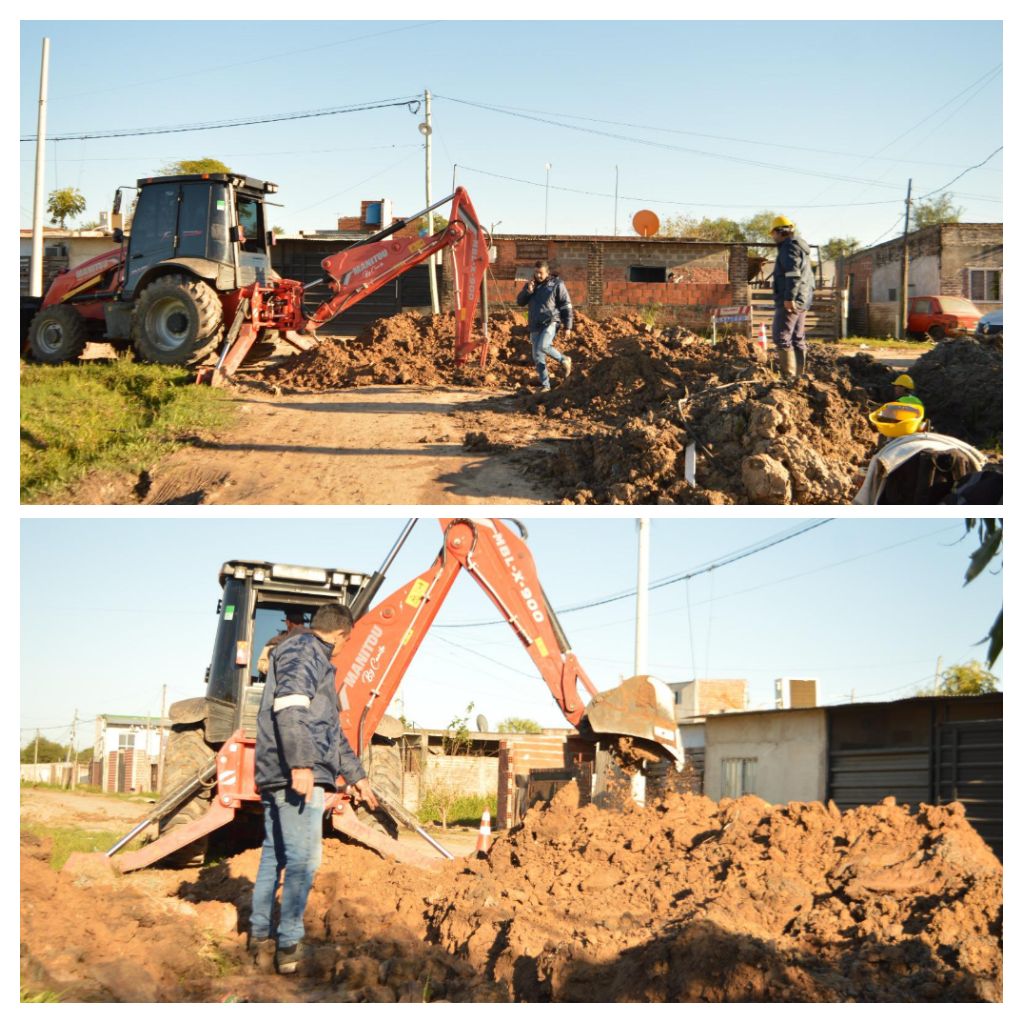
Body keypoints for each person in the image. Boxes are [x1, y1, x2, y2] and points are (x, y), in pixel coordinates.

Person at [250, 602, 377, 975]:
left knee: (275, 856)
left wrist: (358, 776)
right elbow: (290, 707)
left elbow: (330, 731)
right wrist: (302, 764)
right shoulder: (306, 651)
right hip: (293, 773)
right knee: (305, 860)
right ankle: (289, 945)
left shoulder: (304, 654)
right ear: (340, 635)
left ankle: (258, 937)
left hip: (279, 769)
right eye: (345, 642)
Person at [770, 215, 816, 382]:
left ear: (779, 232)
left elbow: (793, 274)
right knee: (797, 336)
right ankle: (799, 377)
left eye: (773, 233)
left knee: (781, 336)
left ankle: (789, 379)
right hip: (803, 297)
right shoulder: (799, 246)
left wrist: (789, 297)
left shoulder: (789, 247)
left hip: (792, 298)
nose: (773, 237)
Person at [516, 260, 573, 393]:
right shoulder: (531, 285)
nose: (538, 275)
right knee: (537, 356)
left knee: (544, 346)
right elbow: (520, 302)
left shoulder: (557, 284)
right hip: (535, 324)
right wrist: (528, 292)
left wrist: (568, 326)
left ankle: (564, 359)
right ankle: (545, 385)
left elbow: (566, 305)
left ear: (547, 272)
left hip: (551, 321)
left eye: (540, 273)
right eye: (536, 272)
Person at [257, 608, 308, 678]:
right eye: (295, 623)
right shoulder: (274, 642)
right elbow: (261, 664)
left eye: (300, 623)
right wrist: (272, 668)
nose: (298, 626)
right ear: (287, 623)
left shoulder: (310, 643)